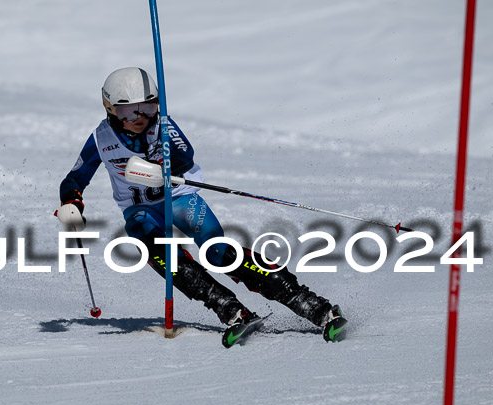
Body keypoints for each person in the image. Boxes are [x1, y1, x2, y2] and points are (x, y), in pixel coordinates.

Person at [58, 67, 347, 342]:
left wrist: (163, 166)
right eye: (127, 110)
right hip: (141, 210)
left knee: (218, 252)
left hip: (180, 198)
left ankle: (314, 306)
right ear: (110, 109)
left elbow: (186, 156)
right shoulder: (101, 139)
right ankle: (230, 309)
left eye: (147, 107)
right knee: (157, 249)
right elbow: (75, 177)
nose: (139, 117)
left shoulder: (164, 124)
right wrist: (71, 203)